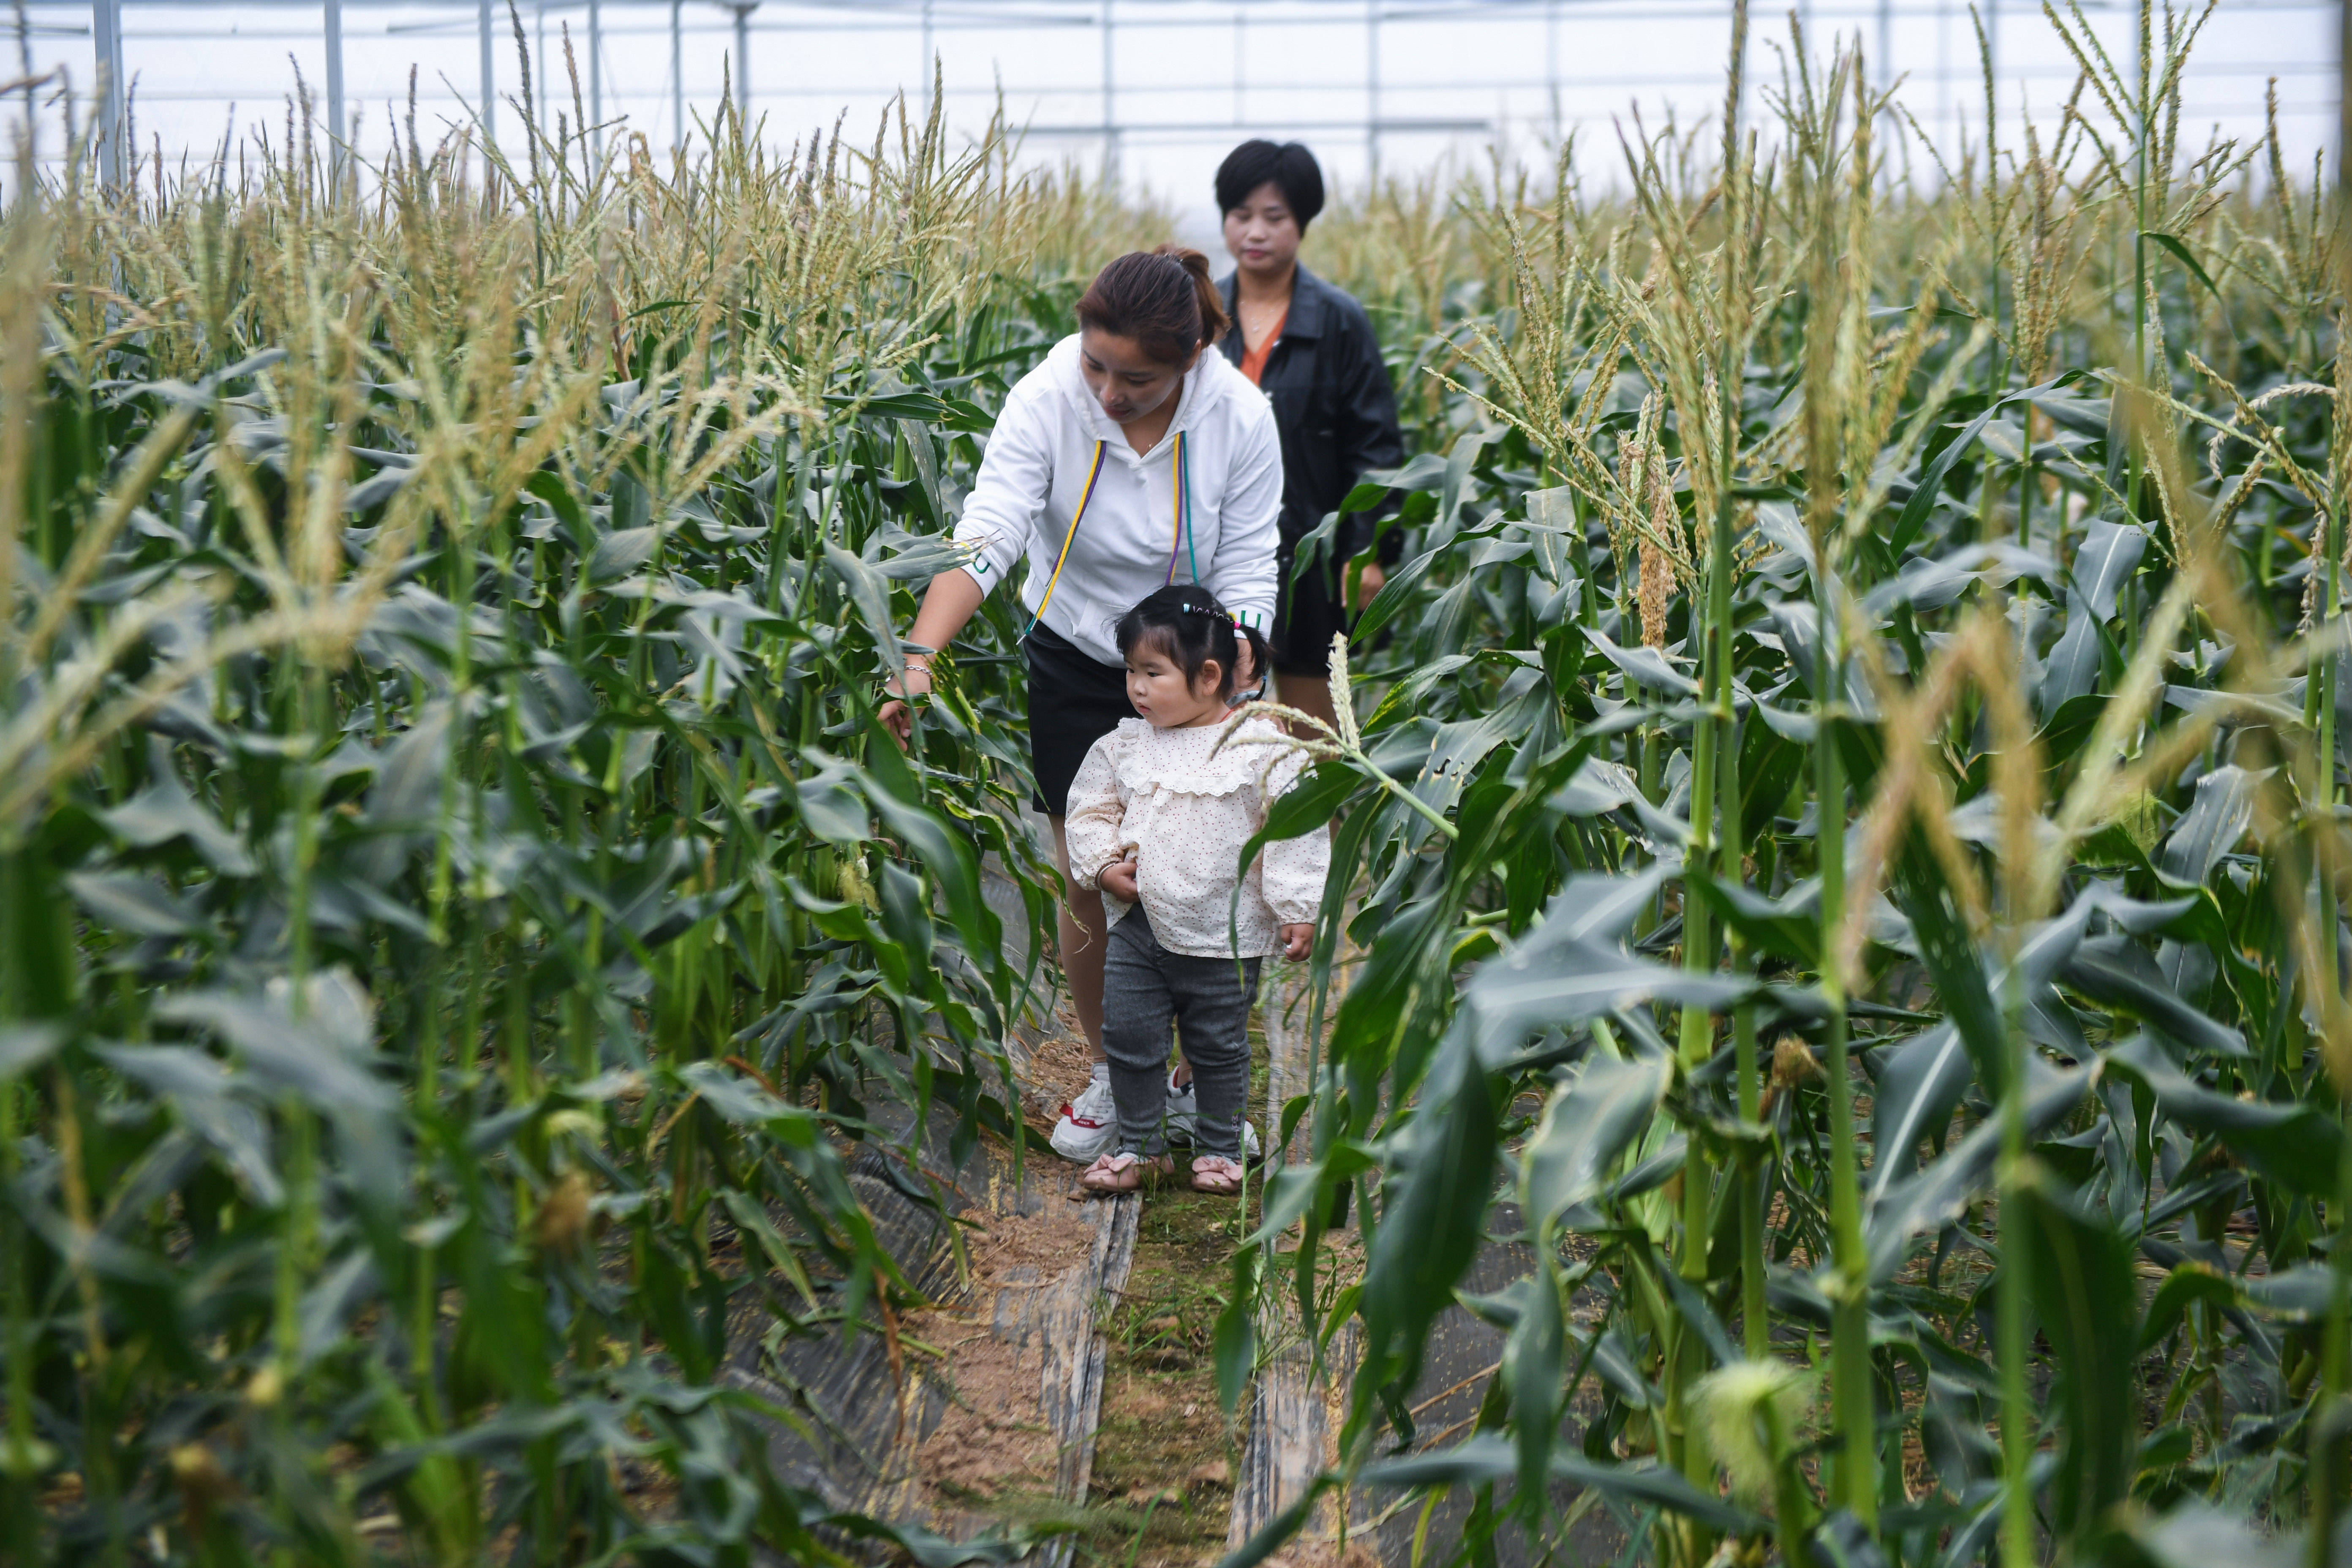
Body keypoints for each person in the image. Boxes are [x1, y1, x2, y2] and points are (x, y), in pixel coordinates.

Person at [877, 247, 1282, 1164]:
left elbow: (1254, 553)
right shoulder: (1047, 396)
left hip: (1197, 661)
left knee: (1207, 860)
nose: (1106, 392)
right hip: (1075, 652)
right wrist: (919, 653)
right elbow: (990, 531)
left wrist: (1242, 648)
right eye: (1096, 365)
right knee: (1090, 868)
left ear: (1187, 363)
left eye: (1135, 378)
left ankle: (1192, 1081)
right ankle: (1115, 1070)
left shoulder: (1239, 415)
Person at [1063, 587, 1328, 1195]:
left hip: (1224, 935)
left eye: (1152, 673)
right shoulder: (1126, 744)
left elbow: (1294, 826)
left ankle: (1217, 1147)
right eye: (1131, 670)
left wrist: (1297, 906)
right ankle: (1140, 1147)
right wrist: (1105, 867)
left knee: (1218, 1046)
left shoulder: (1259, 747)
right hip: (1141, 927)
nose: (1136, 686)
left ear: (1209, 676)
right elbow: (1089, 811)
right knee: (1130, 1038)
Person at [1215, 139, 1407, 734]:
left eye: (1275, 218)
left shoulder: (1337, 320)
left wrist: (1368, 549)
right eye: (1242, 215)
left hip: (1311, 559)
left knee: (1310, 731)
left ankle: (1312, 827)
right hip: (1214, 551)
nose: (1256, 232)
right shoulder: (1201, 315)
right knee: (1213, 721)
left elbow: (1375, 447)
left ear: (1302, 224)